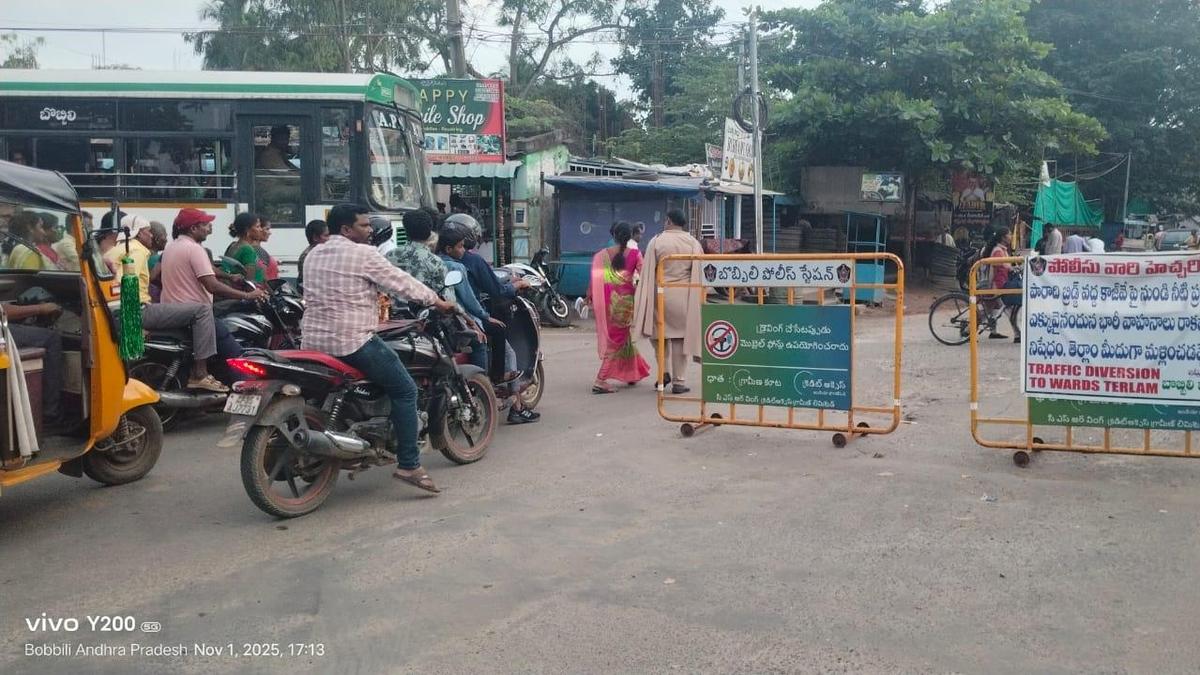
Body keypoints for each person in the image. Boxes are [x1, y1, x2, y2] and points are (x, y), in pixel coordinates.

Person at [302, 203, 455, 493]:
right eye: (364, 225)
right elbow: (402, 283)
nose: (370, 230)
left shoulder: (313, 254)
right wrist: (437, 301)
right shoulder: (363, 254)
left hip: (312, 342)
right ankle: (409, 464)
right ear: (346, 229)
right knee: (405, 390)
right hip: (352, 340)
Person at [108, 215, 227, 392]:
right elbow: (125, 281)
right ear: (138, 233)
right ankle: (200, 374)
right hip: (136, 311)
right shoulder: (137, 250)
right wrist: (134, 325)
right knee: (202, 310)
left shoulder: (115, 250)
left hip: (120, 311)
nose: (151, 235)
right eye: (148, 231)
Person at [160, 208, 266, 365]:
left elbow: (208, 269)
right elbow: (212, 286)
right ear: (193, 228)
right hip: (194, 313)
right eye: (205, 224)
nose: (208, 228)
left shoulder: (172, 246)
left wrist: (230, 277)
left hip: (174, 310)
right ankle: (205, 373)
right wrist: (248, 295)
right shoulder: (194, 249)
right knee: (234, 354)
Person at [633, 209, 703, 395]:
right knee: (680, 338)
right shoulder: (693, 242)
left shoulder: (656, 241)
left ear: (669, 221)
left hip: (661, 294)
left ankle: (663, 373)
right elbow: (700, 271)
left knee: (659, 336)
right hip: (684, 296)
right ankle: (679, 382)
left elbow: (648, 271)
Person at [587, 221, 651, 394]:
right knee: (616, 341)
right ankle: (600, 380)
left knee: (622, 337)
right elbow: (644, 276)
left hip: (607, 301)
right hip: (625, 304)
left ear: (613, 236)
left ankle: (632, 373)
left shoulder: (601, 255)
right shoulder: (636, 254)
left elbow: (594, 280)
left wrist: (589, 297)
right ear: (630, 236)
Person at [388, 209, 450, 297]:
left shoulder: (389, 256)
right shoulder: (436, 262)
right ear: (430, 232)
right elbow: (447, 298)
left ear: (405, 231)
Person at [986, 227, 1021, 343]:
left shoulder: (1003, 250)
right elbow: (995, 269)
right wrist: (990, 286)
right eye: (1009, 234)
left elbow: (1005, 265)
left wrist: (1014, 268)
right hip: (998, 285)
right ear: (1003, 237)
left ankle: (992, 331)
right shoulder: (998, 251)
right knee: (1009, 310)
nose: (1011, 236)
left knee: (991, 310)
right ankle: (1018, 335)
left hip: (1002, 284)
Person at [224, 212, 268, 283]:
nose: (261, 230)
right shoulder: (247, 250)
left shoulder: (232, 245)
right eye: (257, 227)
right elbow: (249, 282)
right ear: (247, 230)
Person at [297, 219, 328, 287]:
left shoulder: (322, 253)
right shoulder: (307, 256)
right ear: (315, 237)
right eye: (326, 235)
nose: (329, 239)